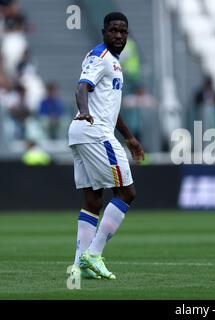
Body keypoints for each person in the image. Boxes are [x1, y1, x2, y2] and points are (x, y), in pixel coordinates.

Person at [67, 12, 144, 282]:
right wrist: (84, 111)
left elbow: (111, 108)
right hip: (94, 132)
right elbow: (81, 87)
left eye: (123, 31)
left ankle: (81, 264)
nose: (119, 36)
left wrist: (129, 137)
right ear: (103, 32)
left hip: (84, 132)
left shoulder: (113, 63)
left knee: (93, 200)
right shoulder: (100, 57)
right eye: (114, 31)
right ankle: (94, 253)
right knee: (126, 192)